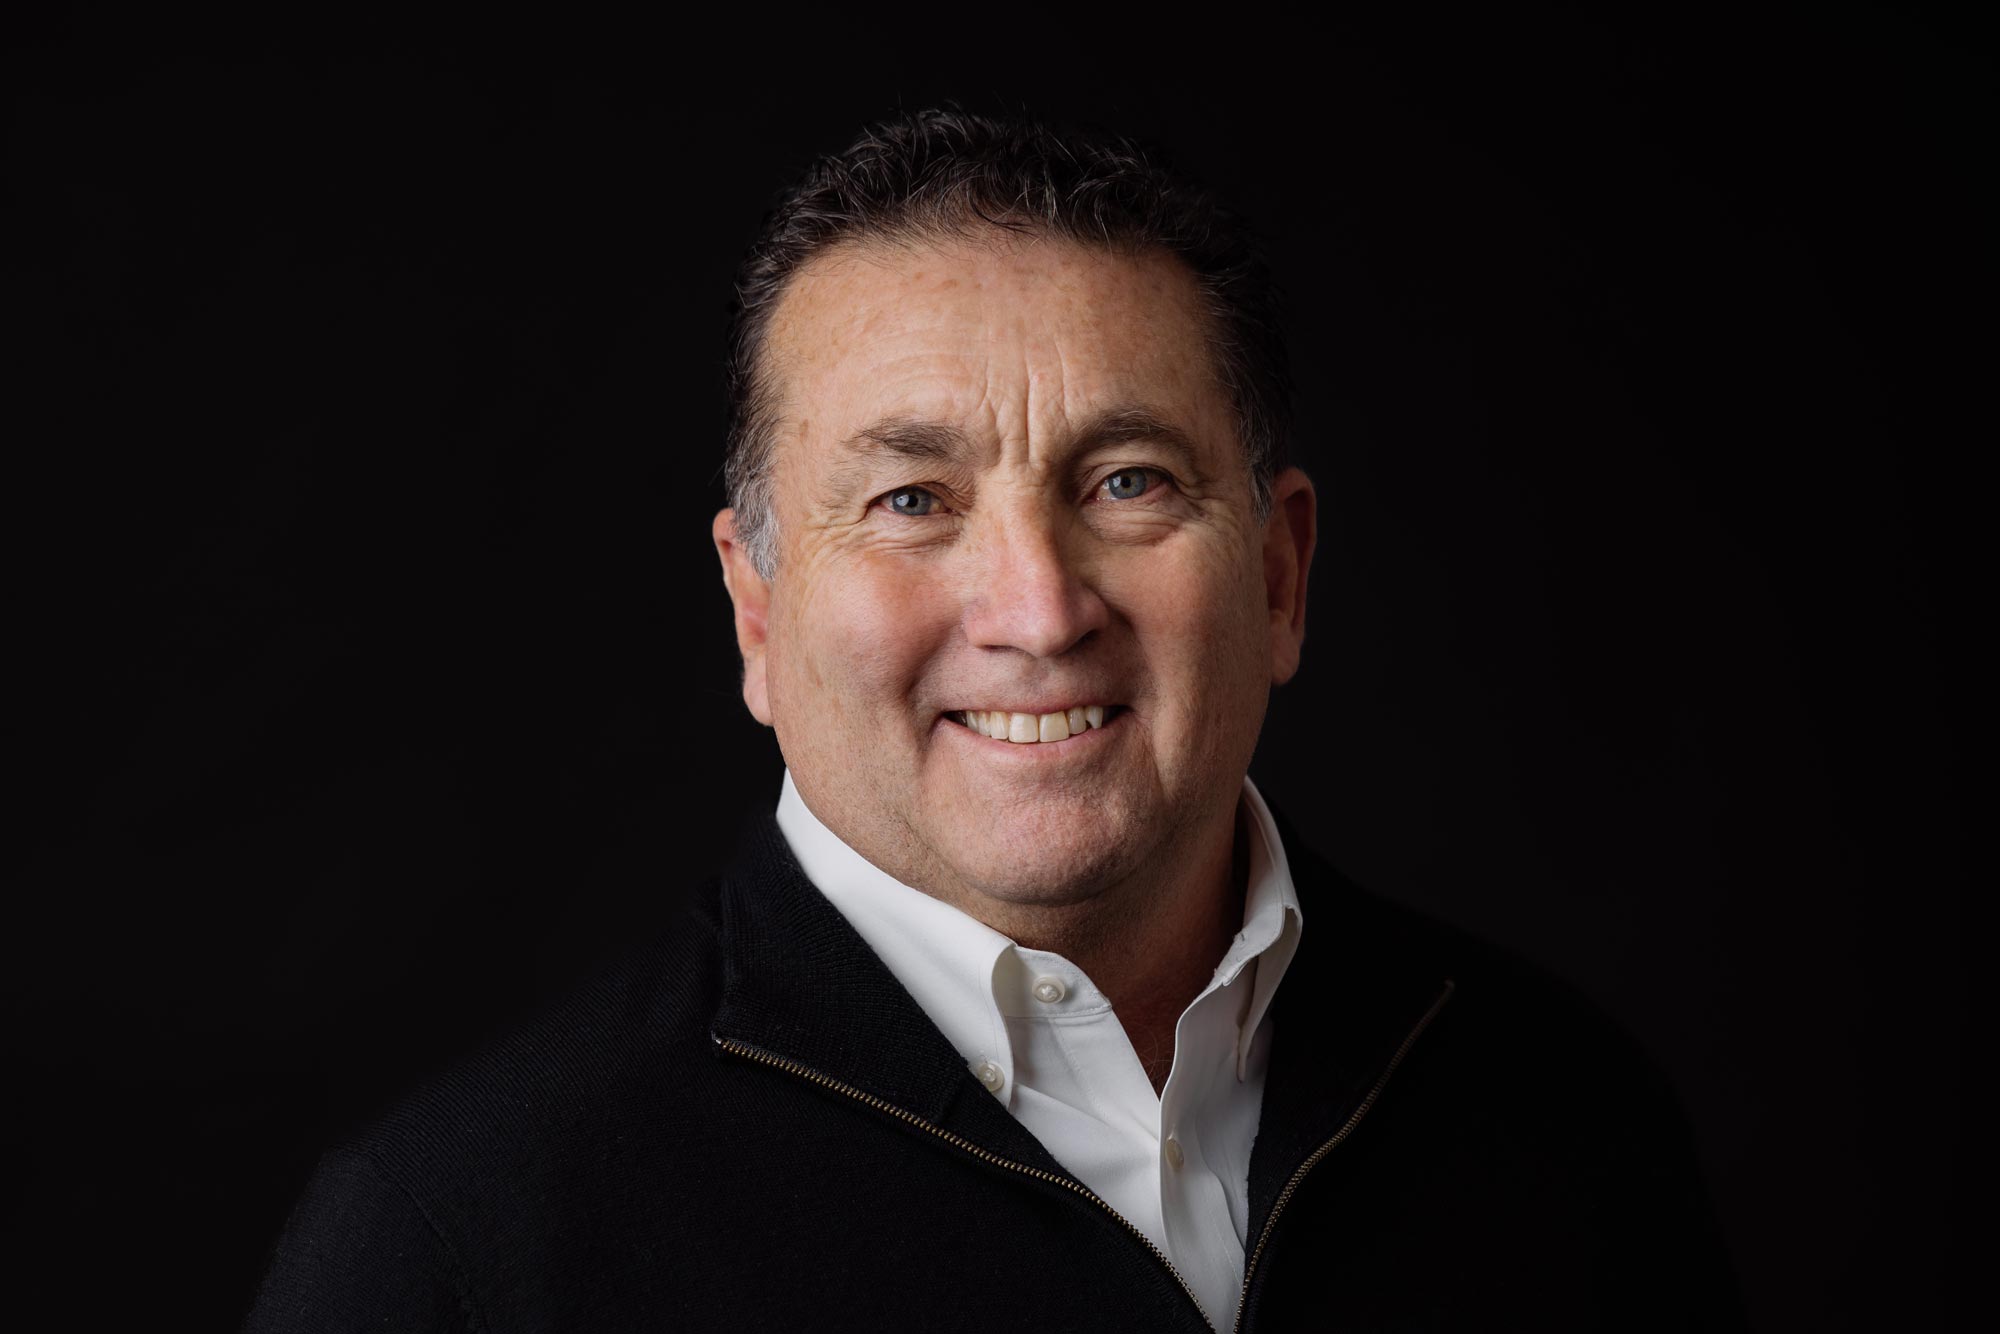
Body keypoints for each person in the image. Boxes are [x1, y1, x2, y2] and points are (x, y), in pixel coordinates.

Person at [244, 108, 1742, 1331]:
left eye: (1129, 482)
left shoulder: (1561, 1117)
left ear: (1280, 577)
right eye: (912, 500)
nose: (1038, 610)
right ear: (757, 610)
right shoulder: (463, 1250)